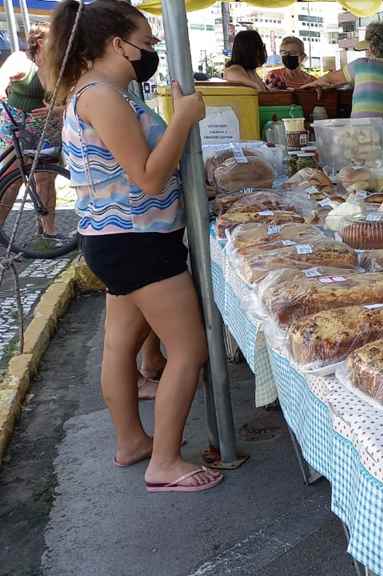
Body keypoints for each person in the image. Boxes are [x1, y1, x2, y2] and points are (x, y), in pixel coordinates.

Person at [46, 0, 221, 492]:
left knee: (119, 346)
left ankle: (132, 441)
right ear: (116, 44)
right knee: (189, 349)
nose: (151, 51)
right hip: (138, 243)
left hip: (116, 241)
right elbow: (146, 177)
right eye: (145, 42)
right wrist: (183, 118)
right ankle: (164, 462)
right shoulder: (102, 96)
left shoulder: (105, 92)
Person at [301, 22, 383, 166]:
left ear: (370, 48)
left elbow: (329, 80)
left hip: (364, 137)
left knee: (363, 182)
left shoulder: (361, 65)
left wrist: (310, 85)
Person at [0, 23, 61, 238]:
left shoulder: (59, 65)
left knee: (45, 179)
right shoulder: (22, 60)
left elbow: (71, 99)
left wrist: (58, 111)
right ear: (40, 41)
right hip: (18, 124)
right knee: (12, 180)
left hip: (48, 127)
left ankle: (49, 233)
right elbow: (4, 75)